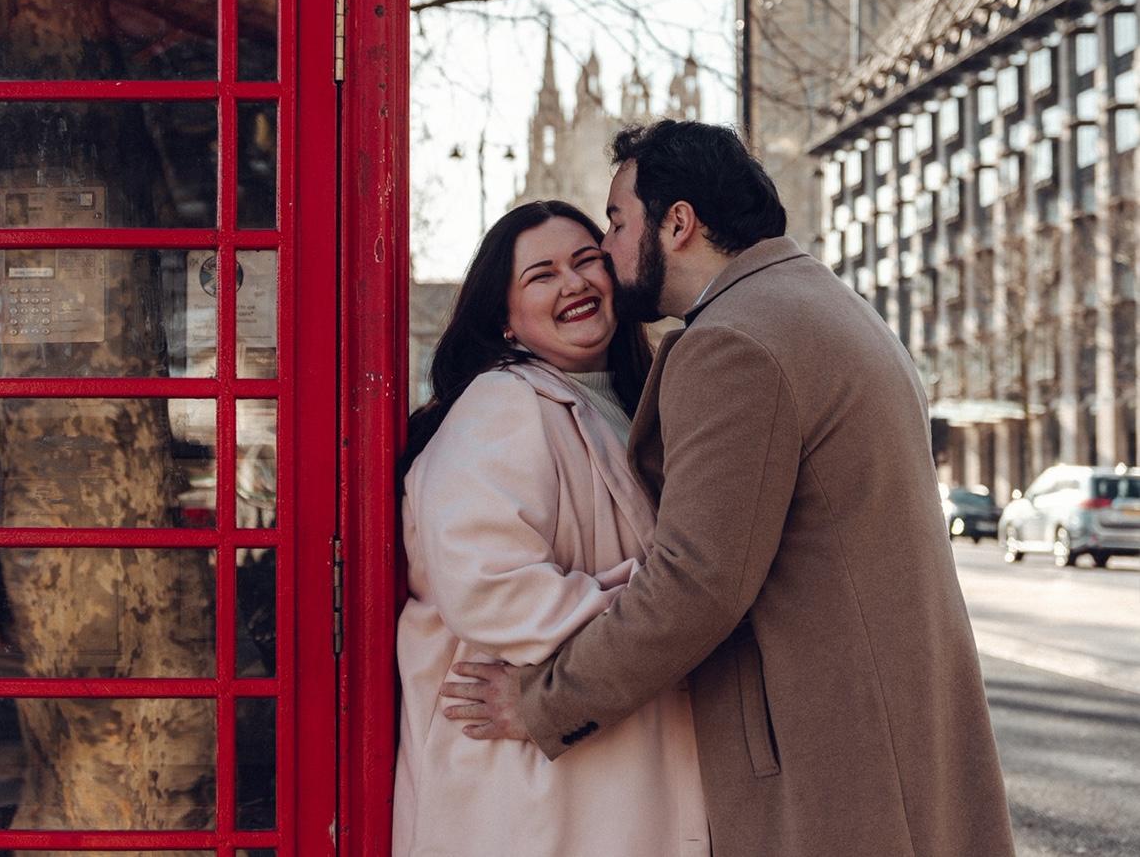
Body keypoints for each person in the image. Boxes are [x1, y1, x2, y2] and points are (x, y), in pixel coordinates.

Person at [442, 122, 1016, 857]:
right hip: (898, 736)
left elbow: (696, 584)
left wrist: (546, 704)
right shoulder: (826, 304)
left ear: (677, 223)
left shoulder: (732, 344)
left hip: (829, 767)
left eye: (617, 225)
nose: (610, 256)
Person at [394, 200, 710, 856]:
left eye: (586, 260)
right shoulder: (502, 403)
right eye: (541, 275)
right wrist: (663, 614)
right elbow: (490, 590)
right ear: (504, 320)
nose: (572, 283)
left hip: (600, 763)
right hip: (528, 787)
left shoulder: (631, 403)